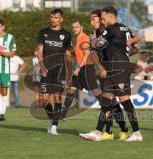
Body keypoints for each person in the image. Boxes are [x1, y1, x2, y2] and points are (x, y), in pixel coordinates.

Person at [79, 6, 143, 142]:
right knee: (106, 101)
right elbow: (137, 40)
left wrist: (92, 40)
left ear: (110, 16)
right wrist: (128, 47)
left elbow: (96, 44)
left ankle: (137, 133)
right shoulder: (124, 27)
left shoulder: (110, 28)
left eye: (103, 18)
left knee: (125, 100)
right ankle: (97, 132)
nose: (102, 21)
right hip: (115, 66)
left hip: (118, 67)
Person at [87, 9, 130, 141]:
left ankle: (116, 130)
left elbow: (133, 43)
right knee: (109, 102)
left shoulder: (108, 31)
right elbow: (93, 53)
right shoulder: (96, 33)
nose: (91, 21)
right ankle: (114, 131)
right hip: (104, 70)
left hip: (111, 70)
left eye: (93, 18)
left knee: (111, 102)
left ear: (101, 19)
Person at [61, 21, 106, 122]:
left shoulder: (84, 37)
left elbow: (87, 54)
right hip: (81, 69)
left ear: (81, 27)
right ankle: (62, 115)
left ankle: (108, 109)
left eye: (76, 27)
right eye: (73, 27)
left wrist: (78, 68)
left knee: (95, 91)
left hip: (87, 68)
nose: (74, 29)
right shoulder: (77, 39)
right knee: (71, 90)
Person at [37, 9, 72, 135]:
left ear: (61, 19)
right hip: (46, 69)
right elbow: (39, 52)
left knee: (57, 97)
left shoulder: (66, 34)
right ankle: (52, 119)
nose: (53, 19)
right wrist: (42, 66)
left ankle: (54, 127)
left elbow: (68, 55)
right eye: (52, 17)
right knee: (44, 100)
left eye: (56, 17)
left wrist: (69, 73)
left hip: (60, 70)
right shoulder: (43, 32)